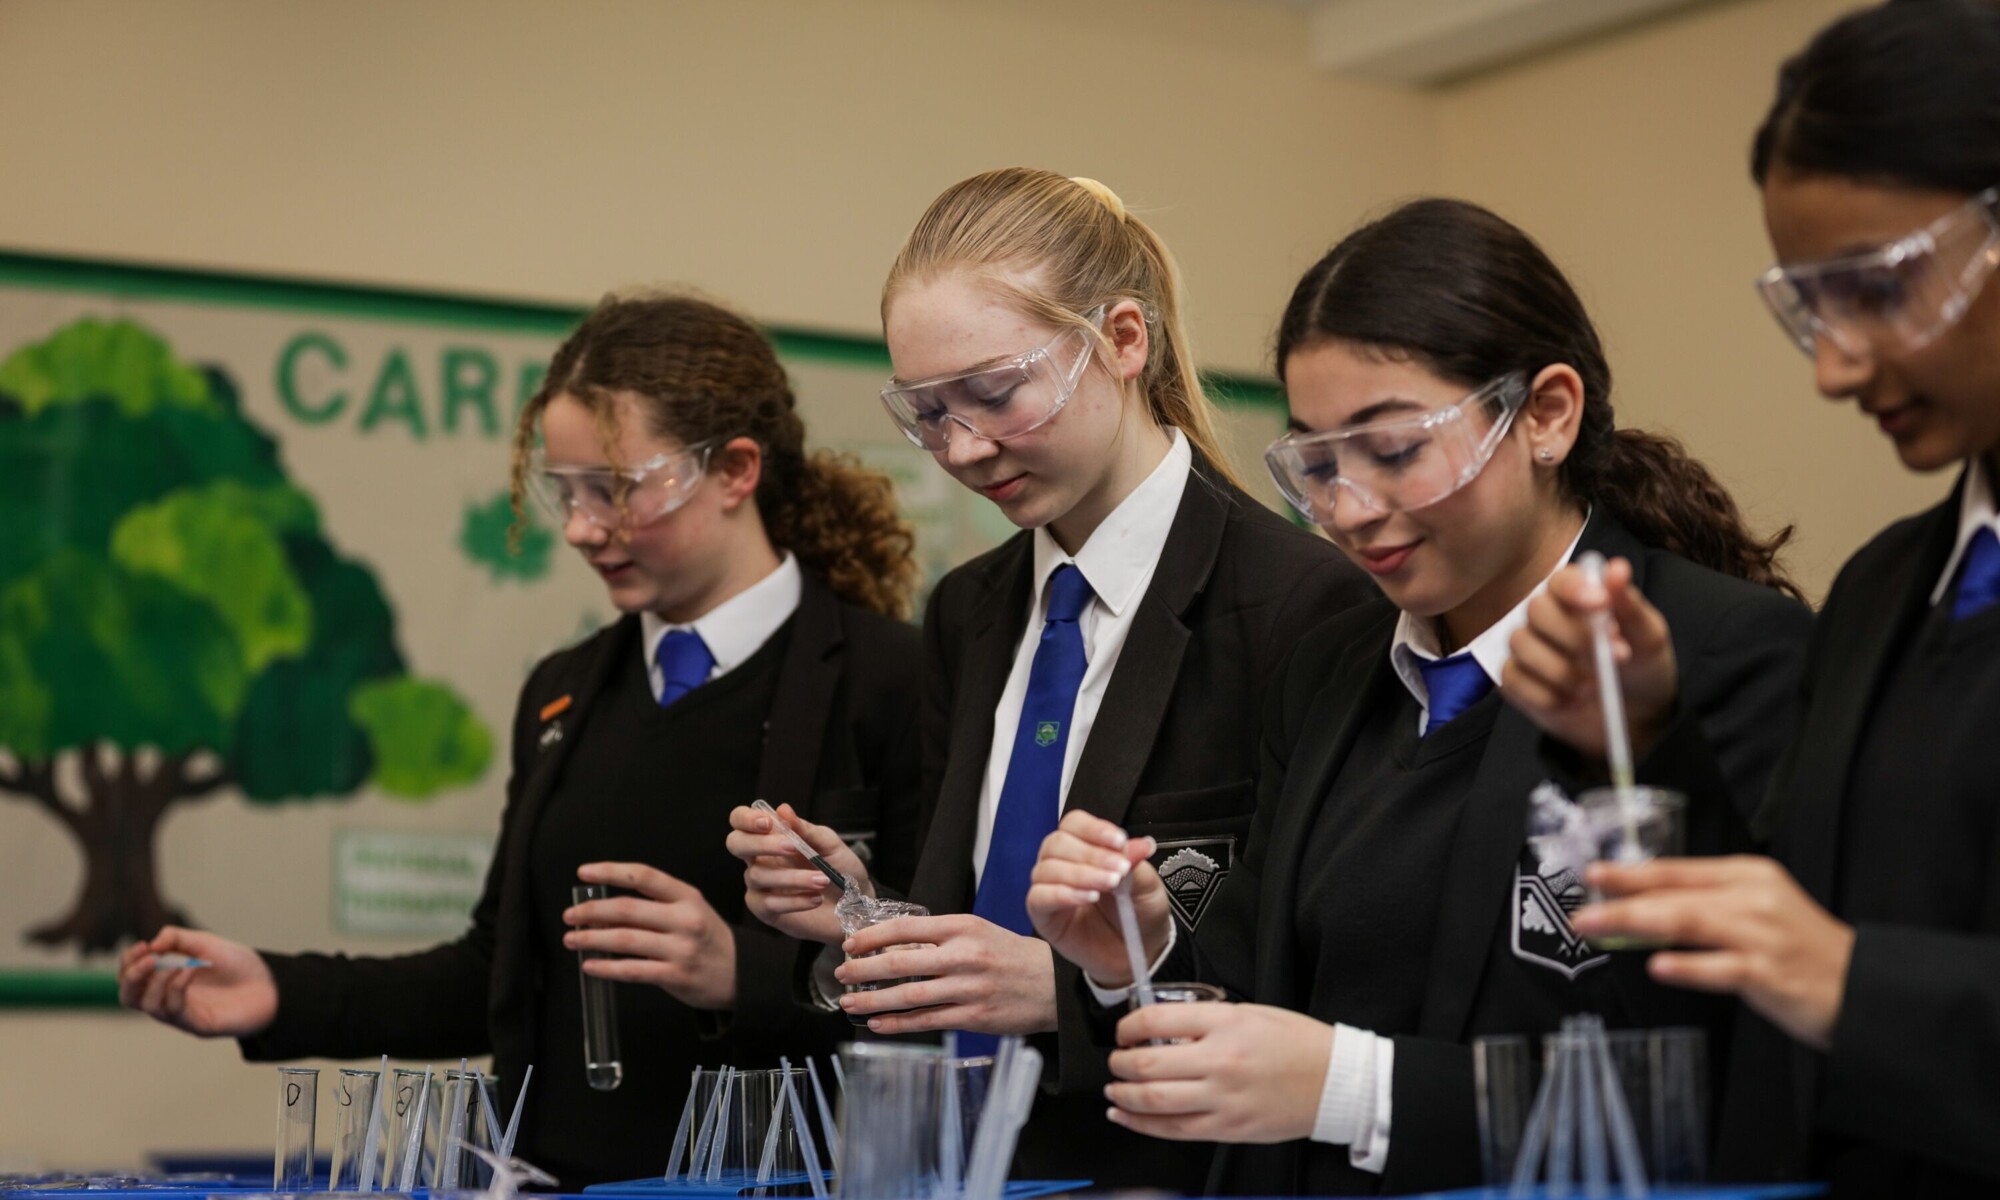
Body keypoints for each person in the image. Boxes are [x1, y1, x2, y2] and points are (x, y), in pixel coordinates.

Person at [1029, 197, 1813, 1194]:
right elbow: (1253, 996)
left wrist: (1352, 1090)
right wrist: (1133, 955)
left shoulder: (1719, 655)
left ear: (1545, 414)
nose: (1349, 510)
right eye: (1317, 463)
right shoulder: (1330, 669)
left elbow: (1723, 1075)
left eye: (1395, 450)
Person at [117, 292, 925, 1186]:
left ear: (734, 470)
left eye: (616, 489)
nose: (581, 528)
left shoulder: (895, 678)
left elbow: (941, 977)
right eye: (565, 492)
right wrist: (278, 993)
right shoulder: (563, 694)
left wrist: (742, 971)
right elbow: (494, 977)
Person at [727, 168, 1372, 1189]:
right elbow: (974, 919)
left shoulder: (1301, 602)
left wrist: (1068, 989)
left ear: (1123, 339)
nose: (963, 447)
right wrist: (862, 909)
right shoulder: (968, 610)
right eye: (927, 412)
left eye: (995, 394)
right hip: (964, 1161)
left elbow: (1318, 966)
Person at [1514, 2, 2000, 1191]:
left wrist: (1854, 987)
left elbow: (1829, 965)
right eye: (1809, 307)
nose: (1833, 367)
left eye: (1877, 289)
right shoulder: (1884, 590)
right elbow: (1791, 917)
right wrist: (1645, 730)